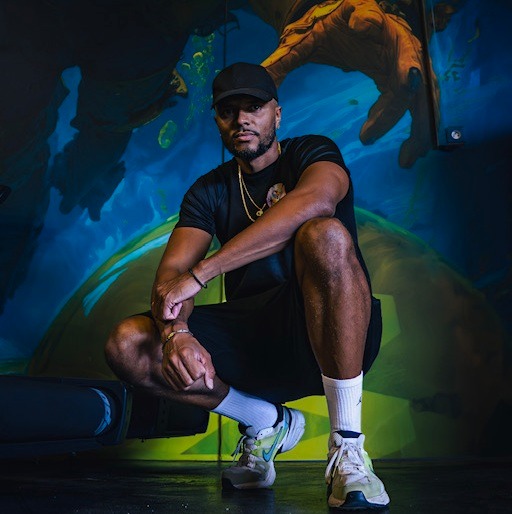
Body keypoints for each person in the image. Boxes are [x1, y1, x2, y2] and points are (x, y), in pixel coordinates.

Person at [105, 61, 390, 510]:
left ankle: (348, 448)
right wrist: (176, 334)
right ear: (218, 121)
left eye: (254, 107)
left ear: (276, 113)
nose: (241, 119)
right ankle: (266, 422)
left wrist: (203, 274)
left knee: (325, 234)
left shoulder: (312, 152)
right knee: (128, 343)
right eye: (228, 111)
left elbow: (317, 200)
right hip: (253, 343)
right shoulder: (208, 191)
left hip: (333, 331)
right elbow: (171, 277)